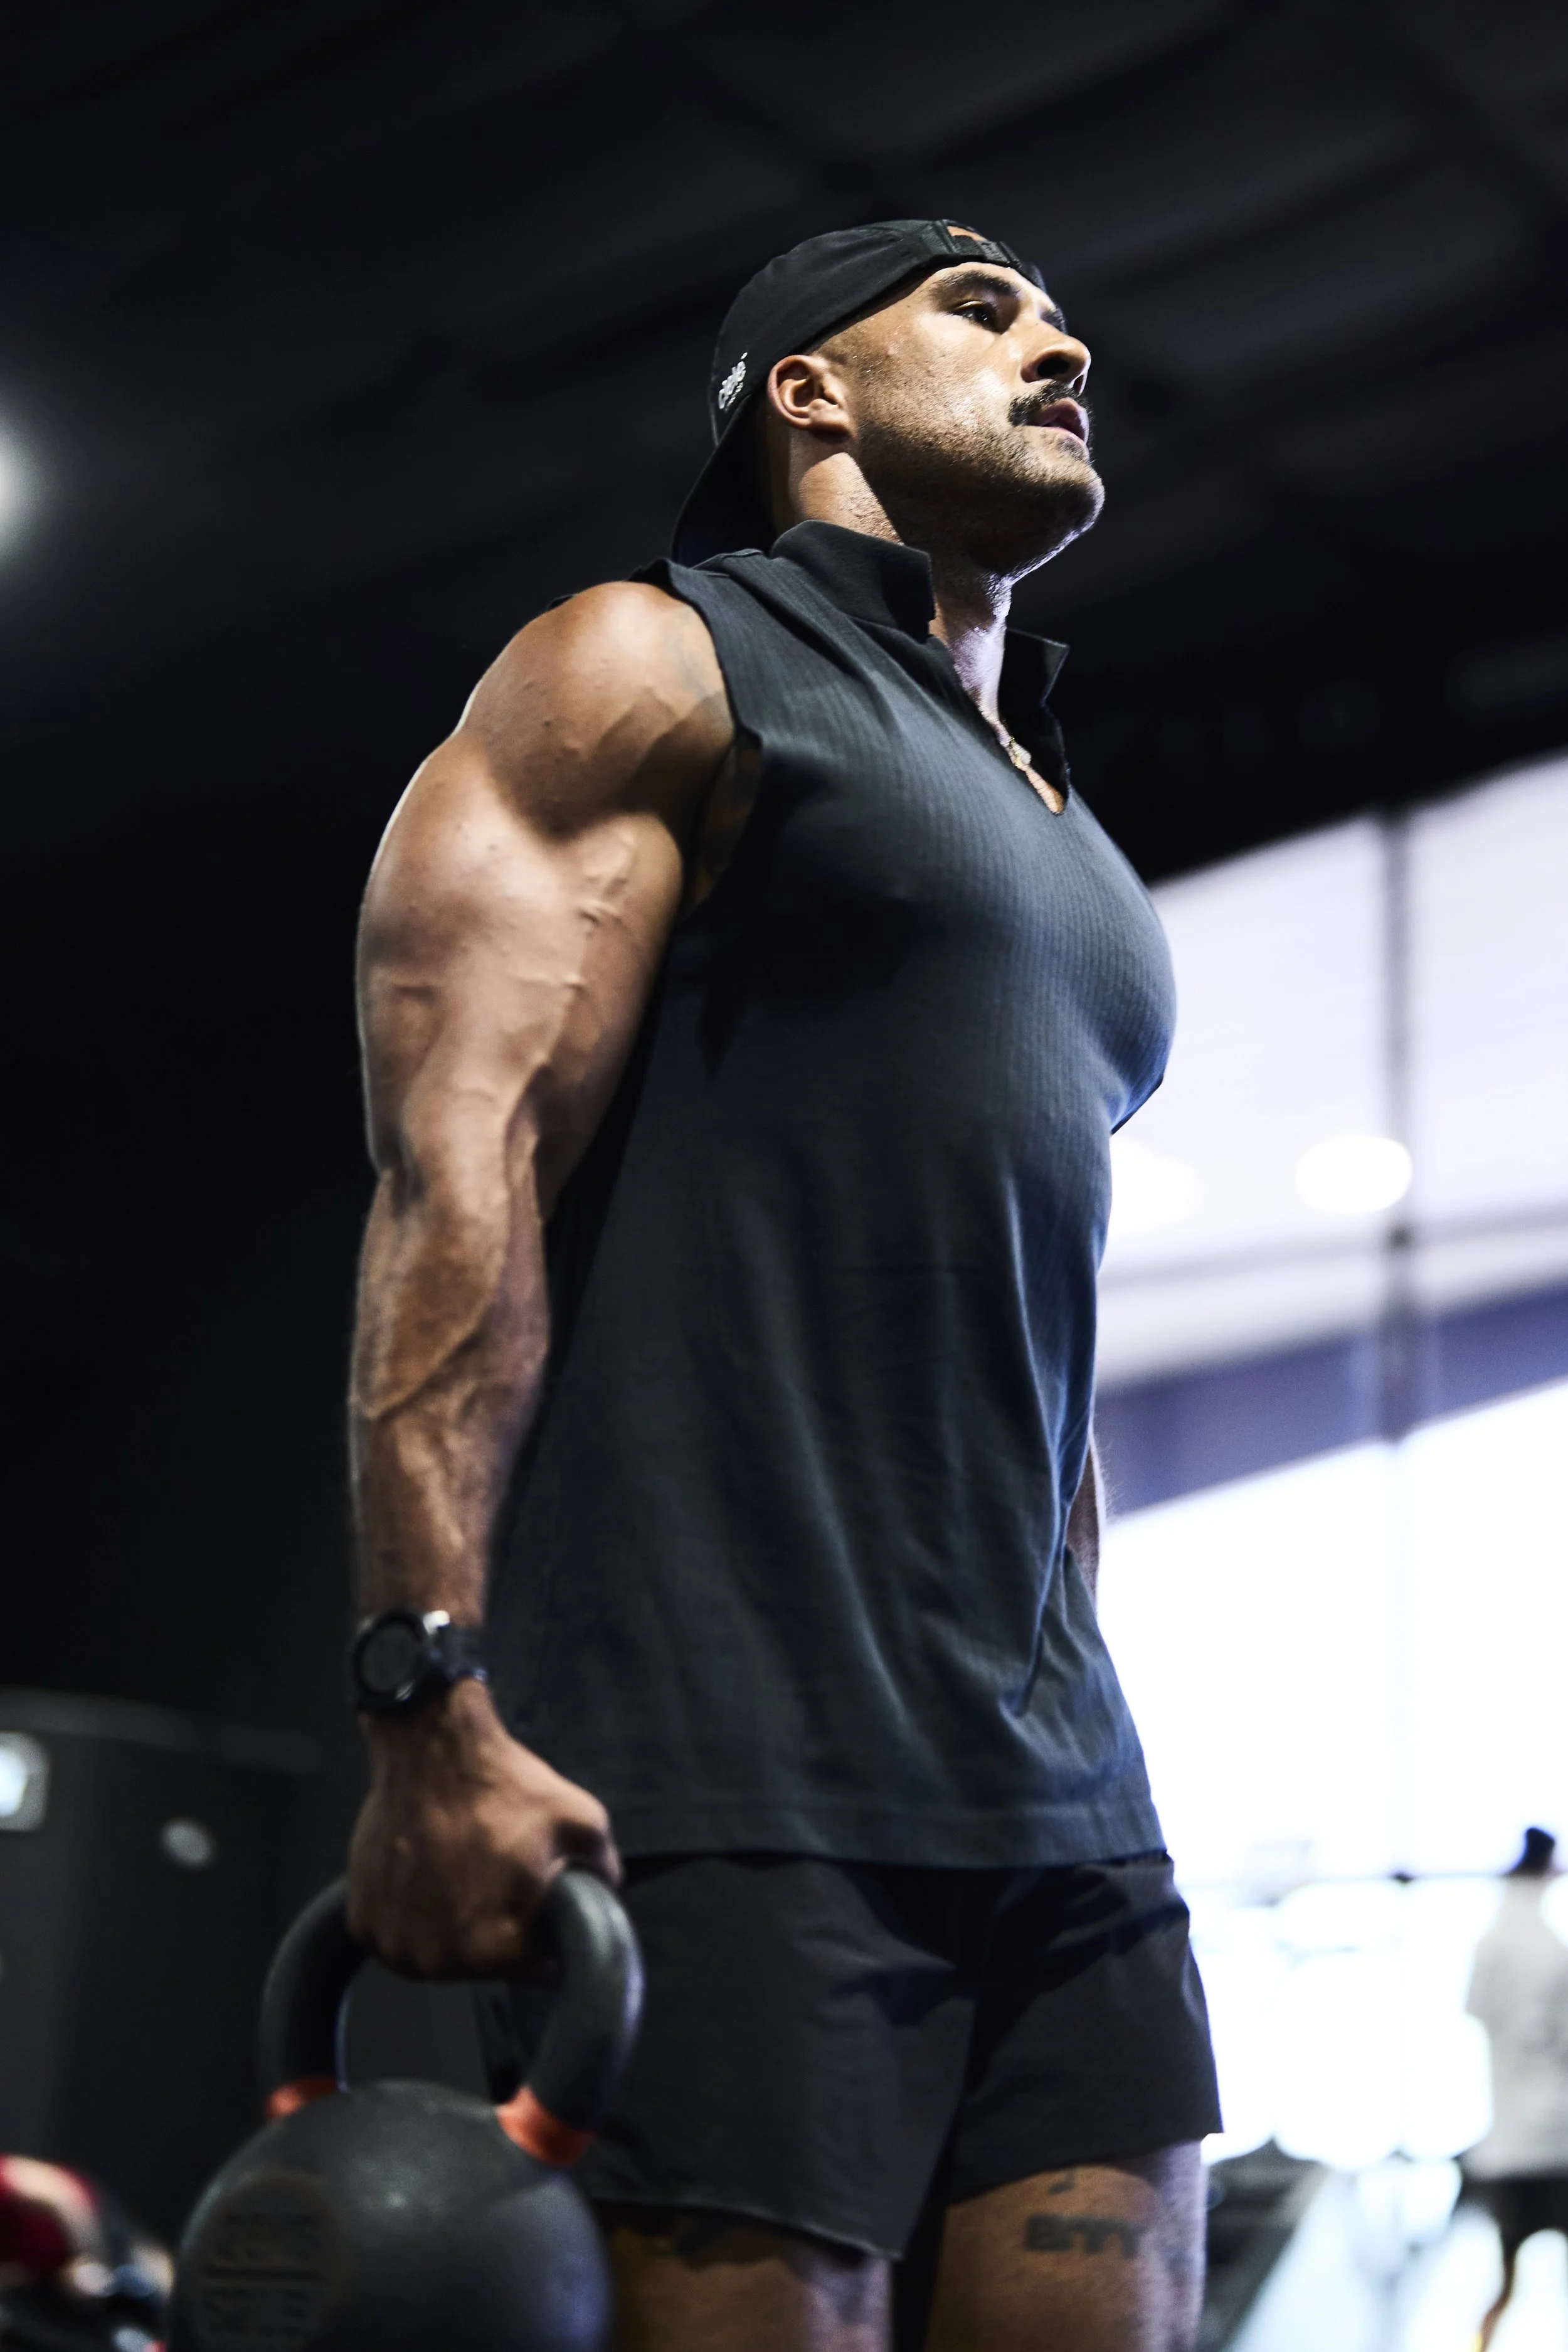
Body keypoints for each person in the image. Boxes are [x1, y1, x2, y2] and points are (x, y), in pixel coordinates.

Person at [342, 218, 1220, 2351]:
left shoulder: (1069, 839)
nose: (1061, 341)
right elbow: (463, 1171)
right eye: (982, 308)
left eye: (1057, 315)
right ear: (805, 392)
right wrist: (423, 1696)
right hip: (721, 1759)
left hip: (1063, 1790)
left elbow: (1030, 1328)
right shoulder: (652, 664)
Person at [1465, 1827, 1568, 2349]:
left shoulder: (1495, 1942)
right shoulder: (1547, 1948)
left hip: (1510, 2144)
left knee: (1504, 2283)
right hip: (1551, 2142)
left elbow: (1477, 2011)